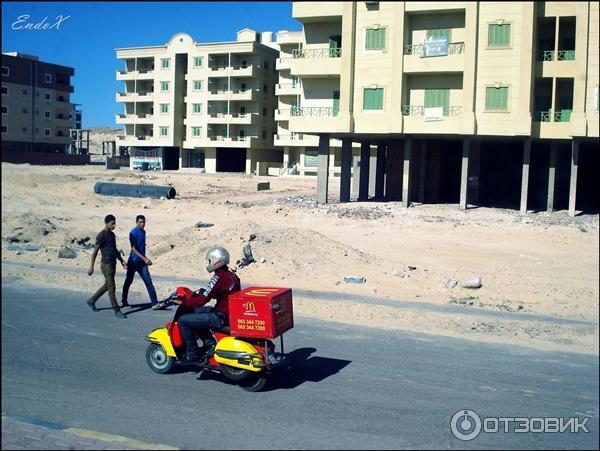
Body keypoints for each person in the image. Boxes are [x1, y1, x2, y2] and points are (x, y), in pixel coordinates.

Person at [173, 246, 240, 364]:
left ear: (216, 261)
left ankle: (192, 354)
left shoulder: (218, 277)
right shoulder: (232, 276)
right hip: (228, 314)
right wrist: (198, 293)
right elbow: (217, 292)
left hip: (219, 317)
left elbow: (202, 300)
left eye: (210, 261)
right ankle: (209, 344)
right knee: (200, 312)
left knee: (184, 320)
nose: (209, 263)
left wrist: (184, 302)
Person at [87, 214, 128, 319]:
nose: (114, 225)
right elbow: (95, 251)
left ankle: (92, 300)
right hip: (106, 264)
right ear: (106, 223)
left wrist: (122, 261)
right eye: (112, 223)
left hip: (112, 263)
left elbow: (114, 250)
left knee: (108, 285)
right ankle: (116, 309)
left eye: (115, 223)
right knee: (112, 287)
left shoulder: (112, 235)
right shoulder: (101, 236)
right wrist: (91, 266)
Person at [120, 214, 160, 310]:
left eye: (144, 222)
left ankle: (155, 303)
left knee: (148, 282)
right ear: (136, 222)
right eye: (140, 222)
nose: (142, 224)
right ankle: (124, 301)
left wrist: (144, 259)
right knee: (128, 281)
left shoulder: (143, 232)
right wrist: (145, 259)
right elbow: (133, 249)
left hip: (141, 262)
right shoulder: (133, 233)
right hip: (133, 262)